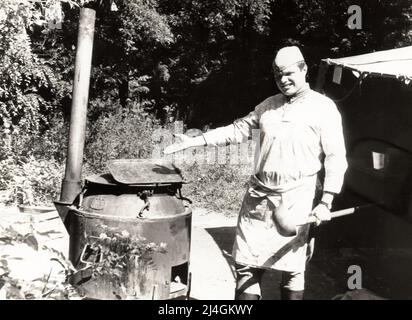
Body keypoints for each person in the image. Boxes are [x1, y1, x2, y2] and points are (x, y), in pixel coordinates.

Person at [164, 46, 347, 300]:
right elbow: (236, 130)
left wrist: (326, 201)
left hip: (296, 201)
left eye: (289, 73)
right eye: (277, 75)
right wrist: (195, 140)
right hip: (258, 199)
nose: (283, 80)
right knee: (246, 267)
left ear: (304, 69)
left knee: (292, 270)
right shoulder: (267, 107)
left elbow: (336, 157)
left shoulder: (323, 108)